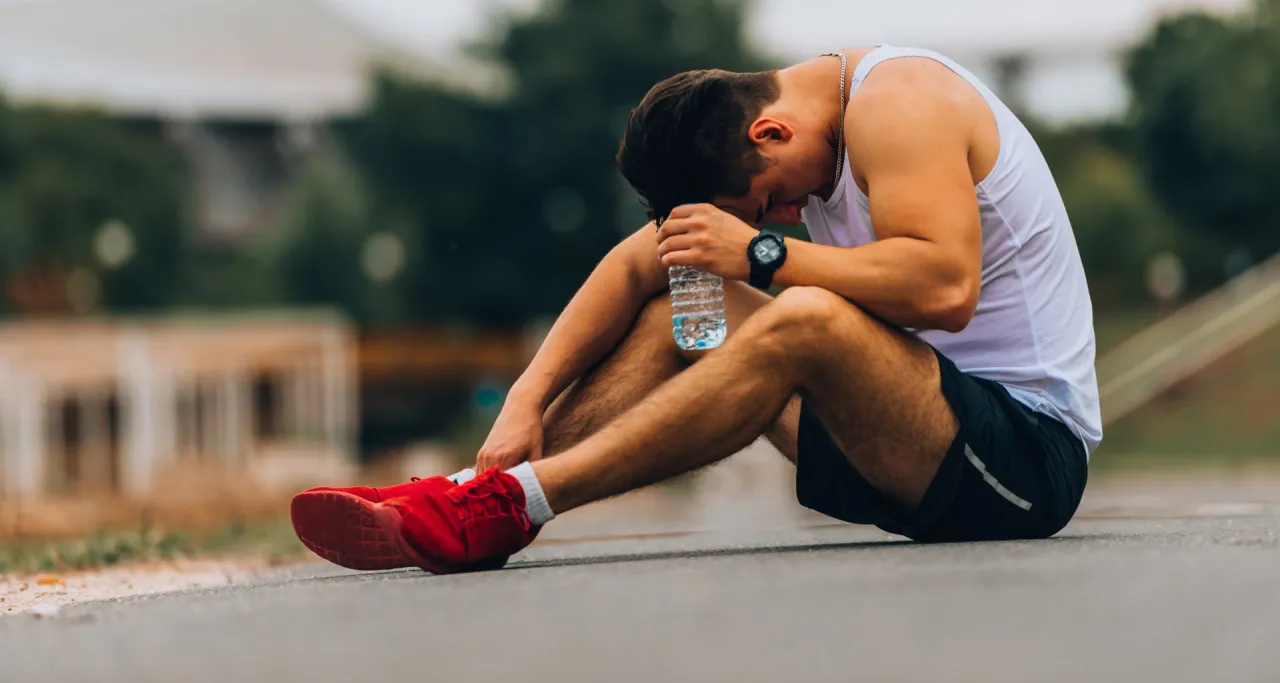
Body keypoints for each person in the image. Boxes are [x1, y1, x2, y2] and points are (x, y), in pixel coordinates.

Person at [289, 45, 1102, 574]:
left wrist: (761, 254)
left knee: (801, 316)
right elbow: (640, 260)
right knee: (685, 302)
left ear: (772, 131)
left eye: (769, 199)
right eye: (766, 214)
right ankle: (475, 491)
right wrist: (525, 401)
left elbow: (946, 290)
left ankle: (520, 501)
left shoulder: (901, 104)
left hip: (1023, 462)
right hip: (897, 446)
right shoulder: (784, 138)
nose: (780, 216)